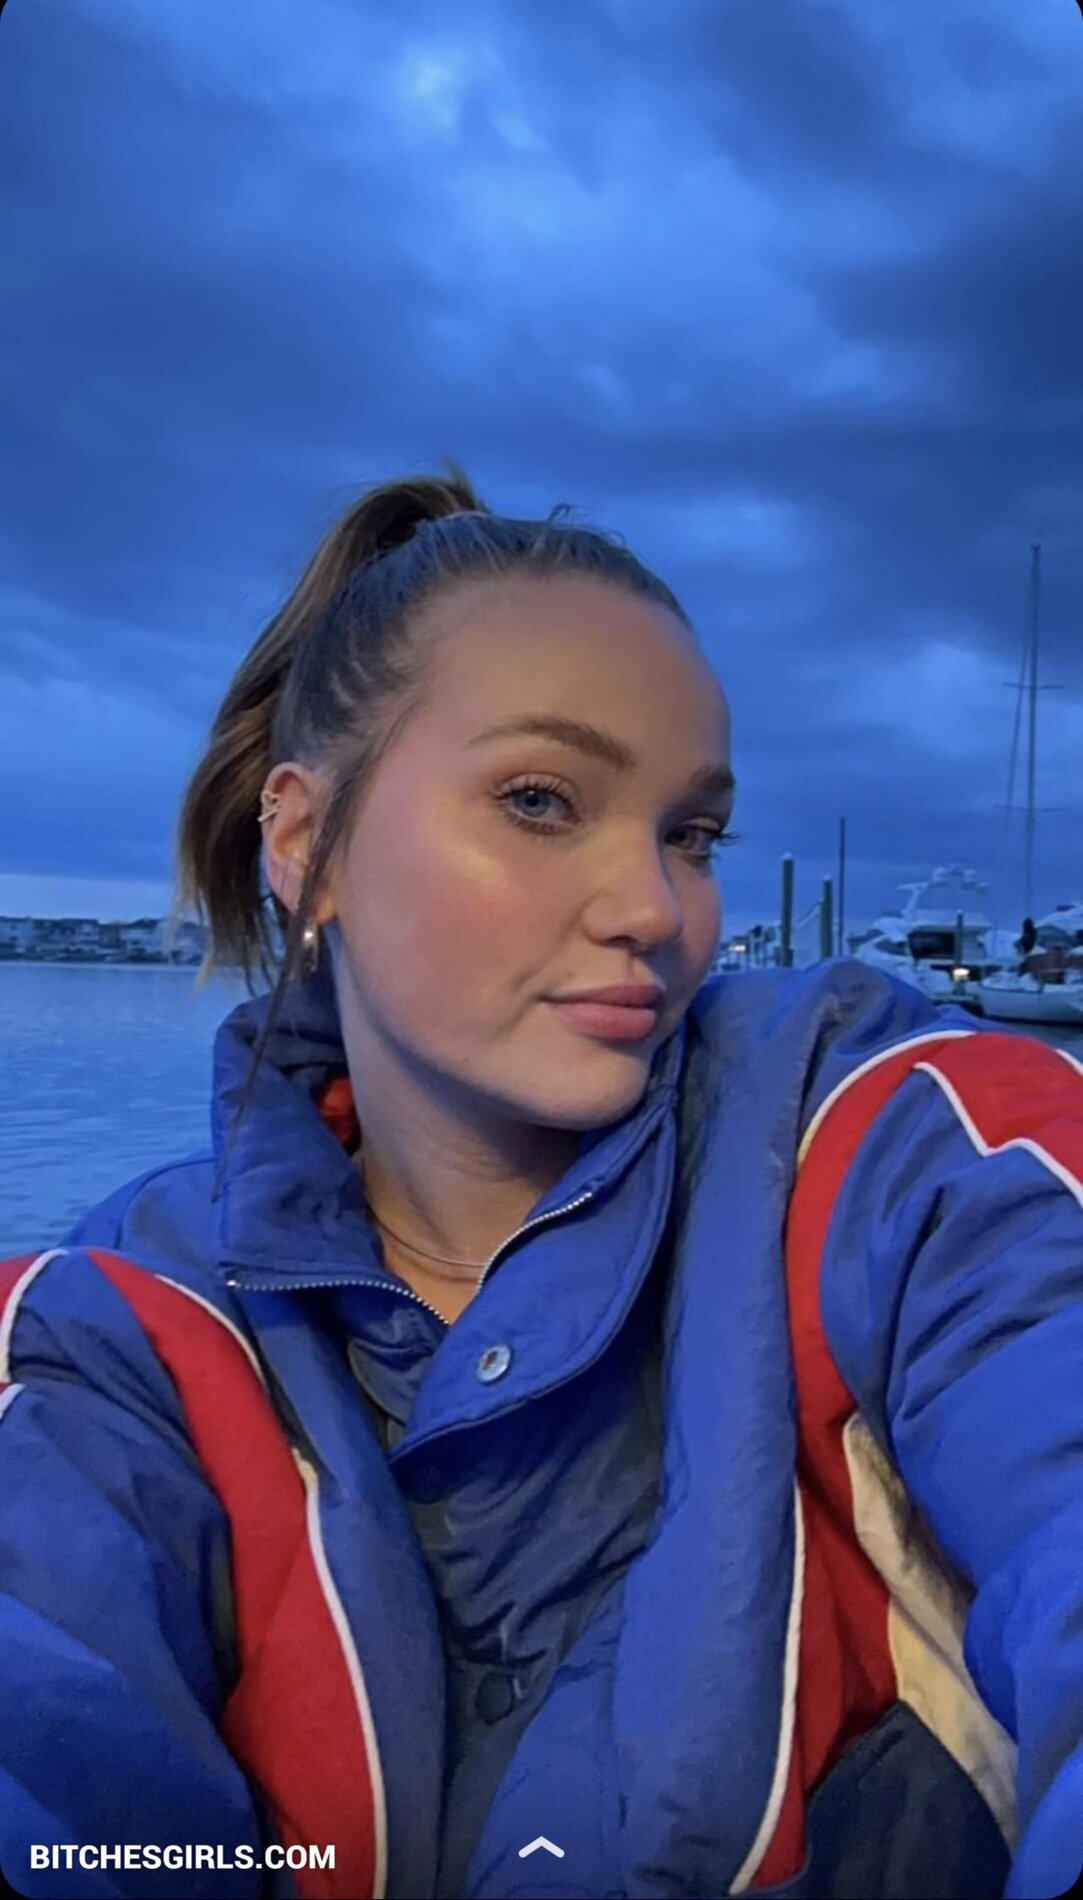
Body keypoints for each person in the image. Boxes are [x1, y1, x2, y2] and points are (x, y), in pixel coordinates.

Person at [1, 467, 1081, 1900]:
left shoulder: (882, 1140)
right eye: (539, 800)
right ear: (305, 844)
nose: (654, 908)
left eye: (692, 834)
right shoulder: (110, 1330)